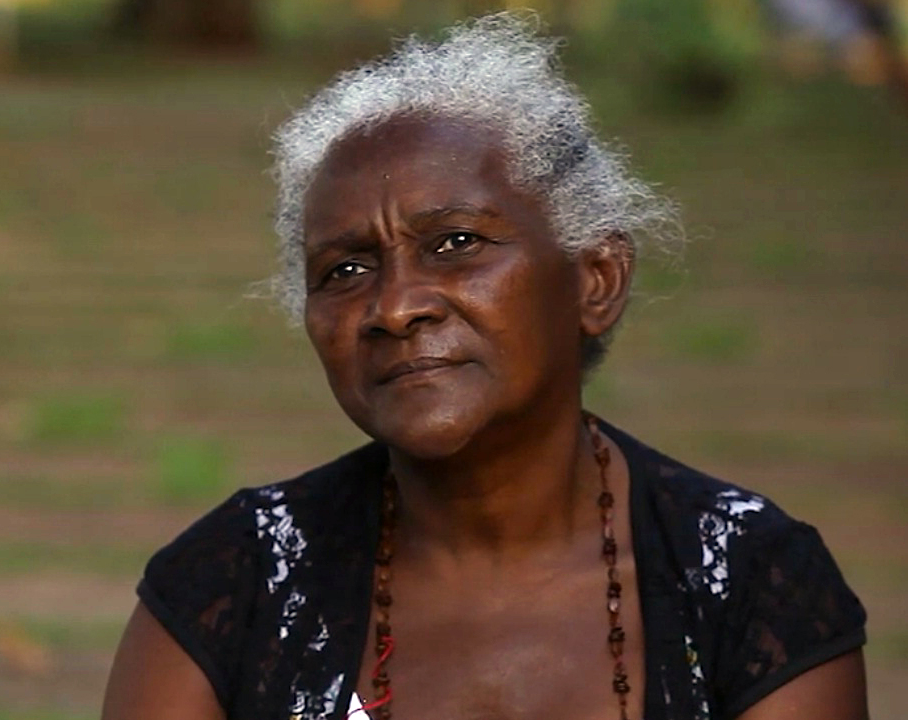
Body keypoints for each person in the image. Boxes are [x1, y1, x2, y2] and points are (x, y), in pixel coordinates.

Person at [102, 14, 868, 720]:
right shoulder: (234, 582)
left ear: (595, 279)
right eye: (344, 270)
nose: (395, 307)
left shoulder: (748, 582)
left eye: (457, 243)